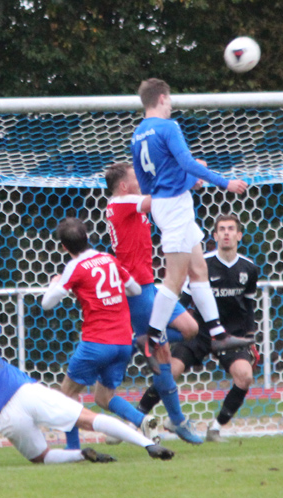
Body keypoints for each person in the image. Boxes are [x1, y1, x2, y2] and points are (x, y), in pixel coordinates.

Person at [130, 78, 253, 439]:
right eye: (170, 99)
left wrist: (185, 183)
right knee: (176, 276)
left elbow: (148, 181)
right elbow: (185, 162)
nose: (171, 104)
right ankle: (153, 336)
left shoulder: (137, 134)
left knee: (199, 270)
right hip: (175, 207)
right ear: (162, 98)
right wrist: (223, 182)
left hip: (168, 205)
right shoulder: (168, 126)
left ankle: (216, 332)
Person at [0, 307, 174, 462]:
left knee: (42, 457)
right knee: (88, 419)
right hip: (26, 392)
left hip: (6, 419)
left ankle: (79, 455)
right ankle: (147, 445)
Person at [134, 214, 261, 443]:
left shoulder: (249, 268)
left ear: (239, 235)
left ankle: (215, 429)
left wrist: (250, 337)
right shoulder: (202, 264)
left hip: (230, 335)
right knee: (169, 371)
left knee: (245, 376)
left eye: (231, 229)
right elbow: (183, 302)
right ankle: (135, 419)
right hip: (201, 332)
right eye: (222, 229)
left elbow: (249, 306)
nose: (226, 233)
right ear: (215, 236)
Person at [41, 217, 161, 448]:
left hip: (97, 342)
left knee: (67, 395)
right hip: (123, 342)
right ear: (87, 237)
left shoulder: (74, 267)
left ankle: (73, 448)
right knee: (103, 397)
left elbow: (47, 303)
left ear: (64, 247)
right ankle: (143, 420)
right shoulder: (109, 259)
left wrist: (55, 282)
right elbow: (135, 289)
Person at [104, 162, 202, 444]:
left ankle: (145, 338)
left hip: (149, 286)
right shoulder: (122, 202)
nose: (141, 180)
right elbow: (155, 200)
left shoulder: (127, 203)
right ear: (124, 186)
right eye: (136, 178)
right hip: (136, 291)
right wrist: (184, 177)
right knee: (163, 355)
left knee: (190, 328)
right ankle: (178, 420)